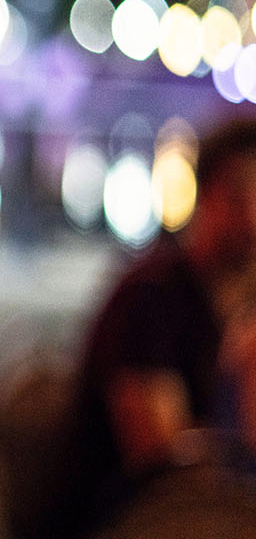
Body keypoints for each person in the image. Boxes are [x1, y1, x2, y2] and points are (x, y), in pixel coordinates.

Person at [55, 118, 256, 537]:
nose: (252, 214)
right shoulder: (153, 296)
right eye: (241, 195)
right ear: (209, 196)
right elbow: (160, 461)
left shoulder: (236, 307)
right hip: (127, 520)